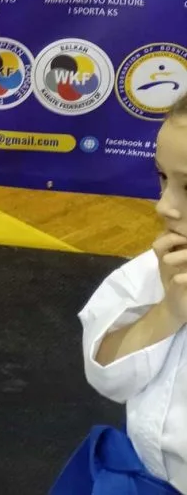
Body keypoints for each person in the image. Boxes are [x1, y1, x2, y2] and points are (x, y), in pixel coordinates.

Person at [51, 93, 187, 493]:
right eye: (162, 178)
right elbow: (107, 375)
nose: (164, 206)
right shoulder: (155, 270)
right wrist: (168, 312)